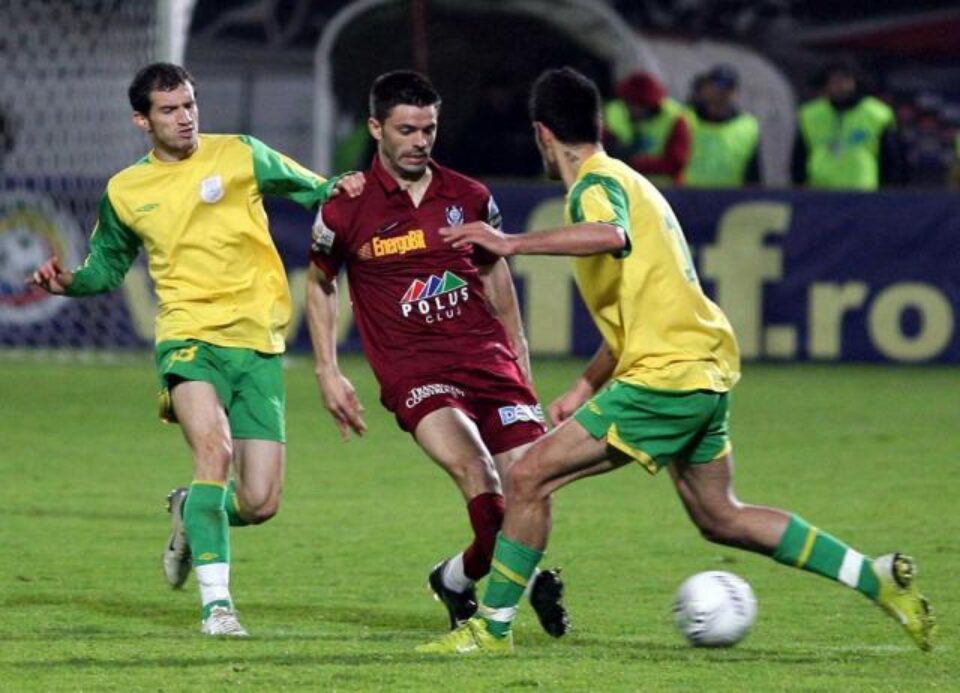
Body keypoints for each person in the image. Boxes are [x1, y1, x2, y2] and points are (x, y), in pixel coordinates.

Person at [417, 66, 936, 654]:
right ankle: (876, 577)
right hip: (701, 371)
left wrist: (509, 242)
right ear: (599, 123)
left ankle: (492, 629)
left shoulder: (594, 184)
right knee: (721, 516)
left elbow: (610, 235)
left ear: (542, 133)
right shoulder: (636, 183)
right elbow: (642, 307)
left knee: (530, 476)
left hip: (665, 379)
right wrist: (586, 386)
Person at [28, 62, 363, 637]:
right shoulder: (126, 190)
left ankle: (194, 510)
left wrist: (342, 186)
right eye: (169, 110)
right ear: (142, 120)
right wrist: (69, 282)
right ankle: (218, 607)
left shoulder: (242, 154)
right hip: (187, 336)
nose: (184, 119)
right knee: (215, 451)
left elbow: (314, 187)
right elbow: (107, 267)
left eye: (189, 106)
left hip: (257, 340)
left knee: (260, 502)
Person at [304, 69, 569, 637]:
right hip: (416, 370)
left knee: (532, 486)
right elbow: (320, 283)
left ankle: (454, 576)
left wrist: (518, 352)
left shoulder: (470, 196)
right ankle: (521, 585)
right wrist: (328, 370)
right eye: (406, 129)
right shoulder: (347, 207)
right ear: (376, 127)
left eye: (428, 128)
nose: (420, 140)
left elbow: (495, 275)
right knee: (478, 473)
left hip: (488, 359)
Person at [792, 62, 903, 190]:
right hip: (819, 192)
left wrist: (888, 194)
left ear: (855, 81)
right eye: (833, 81)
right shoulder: (810, 115)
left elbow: (892, 161)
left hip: (863, 192)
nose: (839, 85)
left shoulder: (877, 114)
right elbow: (799, 159)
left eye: (844, 79)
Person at [603, 71, 691, 186]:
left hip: (664, 191)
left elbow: (675, 163)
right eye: (630, 104)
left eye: (641, 105)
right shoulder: (613, 112)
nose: (634, 110)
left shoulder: (674, 119)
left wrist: (633, 162)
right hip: (622, 188)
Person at [684, 64, 761, 187]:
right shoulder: (684, 118)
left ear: (736, 93)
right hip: (683, 195)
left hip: (726, 199)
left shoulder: (747, 126)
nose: (721, 92)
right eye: (716, 85)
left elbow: (753, 174)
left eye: (728, 87)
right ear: (705, 88)